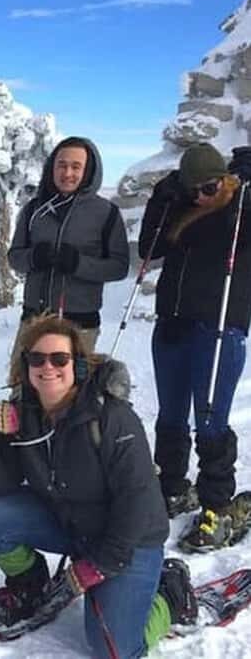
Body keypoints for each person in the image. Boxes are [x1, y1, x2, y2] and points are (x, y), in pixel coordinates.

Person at [0, 314, 197, 658]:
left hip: (129, 542)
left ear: (80, 366)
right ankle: (30, 585)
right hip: (73, 527)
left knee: (114, 649)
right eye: (37, 359)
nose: (48, 367)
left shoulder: (111, 418)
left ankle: (171, 595)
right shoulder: (23, 414)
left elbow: (137, 501)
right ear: (26, 366)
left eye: (60, 359)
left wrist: (100, 564)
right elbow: (1, 485)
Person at [139, 143, 251, 551]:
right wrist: (163, 197)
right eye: (194, 189)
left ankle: (216, 505)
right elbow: (149, 248)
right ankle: (171, 485)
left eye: (210, 187)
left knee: (209, 418)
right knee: (170, 413)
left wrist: (244, 191)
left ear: (223, 179)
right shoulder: (180, 205)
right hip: (173, 322)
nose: (201, 196)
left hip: (220, 326)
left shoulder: (239, 208)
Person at [8, 136, 129, 359]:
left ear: (89, 171)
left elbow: (119, 267)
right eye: (61, 165)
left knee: (72, 392)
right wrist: (34, 257)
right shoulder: (34, 209)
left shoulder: (106, 213)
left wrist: (78, 264)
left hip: (79, 325)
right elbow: (14, 257)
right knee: (22, 387)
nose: (67, 173)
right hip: (34, 320)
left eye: (76, 167)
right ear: (51, 168)